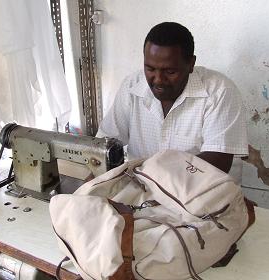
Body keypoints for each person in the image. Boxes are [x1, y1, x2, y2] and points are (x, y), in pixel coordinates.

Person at [96, 22, 248, 183]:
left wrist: (153, 174)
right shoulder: (132, 86)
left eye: (170, 71)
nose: (159, 80)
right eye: (150, 69)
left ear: (191, 64)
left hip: (202, 195)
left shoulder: (220, 91)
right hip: (141, 193)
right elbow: (104, 144)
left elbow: (218, 161)